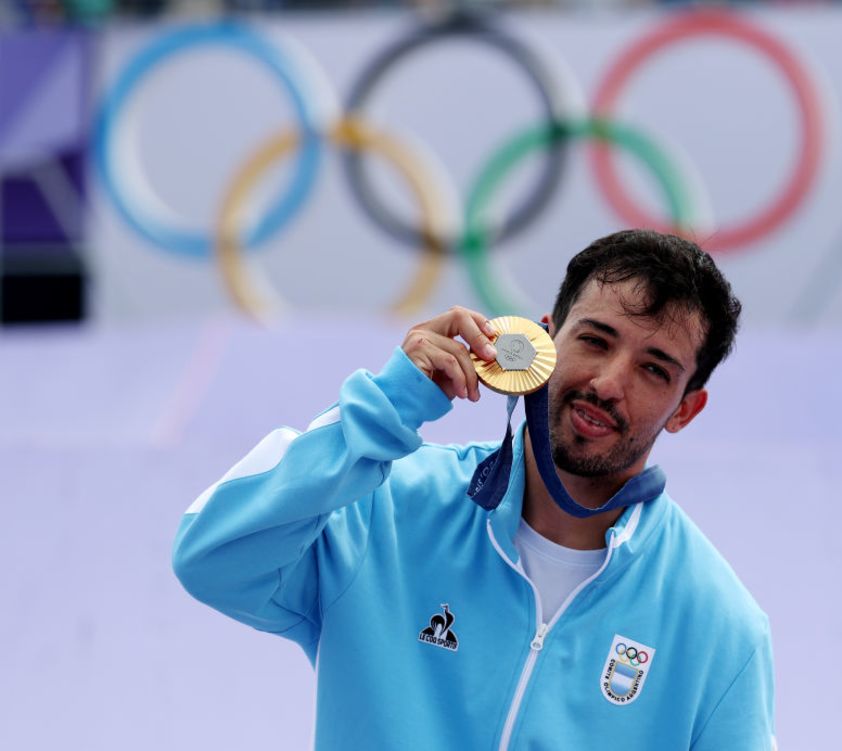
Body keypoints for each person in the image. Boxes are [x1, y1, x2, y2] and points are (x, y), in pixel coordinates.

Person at [173, 229, 776, 750]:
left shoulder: (718, 626)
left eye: (654, 369)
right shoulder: (386, 507)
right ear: (542, 340)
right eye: (594, 339)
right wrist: (383, 411)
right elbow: (210, 557)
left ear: (685, 410)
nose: (608, 382)